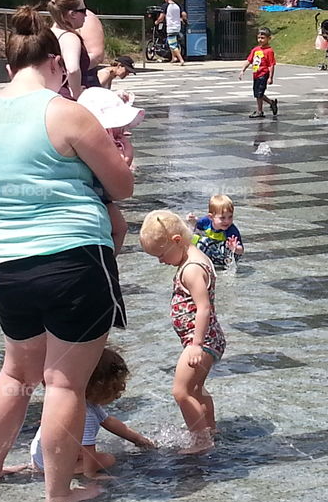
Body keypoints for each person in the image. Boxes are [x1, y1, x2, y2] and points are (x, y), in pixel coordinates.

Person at [0, 6, 133, 502]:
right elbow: (121, 187)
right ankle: (59, 492)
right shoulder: (66, 112)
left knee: (16, 373)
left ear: (7, 66)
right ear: (57, 65)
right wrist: (122, 157)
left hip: (5, 260)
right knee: (65, 382)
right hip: (71, 258)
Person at [139, 210, 225, 454]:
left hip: (202, 340)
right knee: (196, 389)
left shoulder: (191, 269)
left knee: (181, 391)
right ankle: (210, 429)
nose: (160, 261)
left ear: (177, 241)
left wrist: (196, 344)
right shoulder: (192, 257)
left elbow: (204, 307)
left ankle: (201, 441)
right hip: (207, 339)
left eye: (161, 255)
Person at [29, 348, 154, 476]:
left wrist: (137, 439)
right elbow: (88, 447)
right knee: (107, 459)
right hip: (49, 464)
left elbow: (109, 422)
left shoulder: (84, 401)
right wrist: (91, 474)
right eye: (117, 388)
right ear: (101, 388)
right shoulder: (85, 414)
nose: (119, 393)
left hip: (44, 455)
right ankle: (47, 472)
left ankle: (37, 466)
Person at [77, 87, 144, 253]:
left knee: (120, 228)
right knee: (118, 228)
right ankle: (107, 260)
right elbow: (118, 179)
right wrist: (127, 159)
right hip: (95, 192)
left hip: (94, 191)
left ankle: (108, 258)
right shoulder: (100, 138)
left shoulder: (86, 133)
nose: (123, 130)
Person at [50, 0, 104, 87]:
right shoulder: (61, 20)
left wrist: (72, 64)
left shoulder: (86, 18)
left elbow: (97, 54)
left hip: (84, 80)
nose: (52, 1)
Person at [48, 0, 91, 100]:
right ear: (72, 14)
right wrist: (77, 94)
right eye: (83, 11)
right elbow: (73, 69)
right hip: (66, 97)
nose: (86, 15)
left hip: (49, 95)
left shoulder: (46, 34)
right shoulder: (70, 38)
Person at [187, 194, 244, 270]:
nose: (227, 221)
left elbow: (241, 250)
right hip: (213, 251)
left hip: (224, 257)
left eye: (230, 217)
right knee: (194, 237)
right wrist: (192, 221)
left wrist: (235, 248)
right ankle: (195, 259)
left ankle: (203, 261)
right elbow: (194, 227)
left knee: (204, 241)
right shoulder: (206, 222)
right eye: (222, 218)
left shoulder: (231, 230)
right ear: (211, 217)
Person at [239, 27, 278, 119]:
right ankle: (271, 103)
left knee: (259, 93)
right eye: (259, 38)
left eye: (263, 38)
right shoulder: (256, 49)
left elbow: (271, 65)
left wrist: (270, 77)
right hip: (256, 74)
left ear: (269, 38)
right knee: (257, 93)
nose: (260, 40)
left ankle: (260, 111)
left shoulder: (269, 51)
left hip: (263, 74)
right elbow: (249, 60)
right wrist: (243, 70)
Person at [156, 0, 187, 65]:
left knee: (172, 44)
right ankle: (173, 58)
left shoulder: (165, 6)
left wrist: (157, 22)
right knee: (173, 42)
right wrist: (183, 19)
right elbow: (184, 14)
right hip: (177, 27)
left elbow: (161, 17)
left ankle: (181, 59)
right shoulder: (177, 5)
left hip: (171, 27)